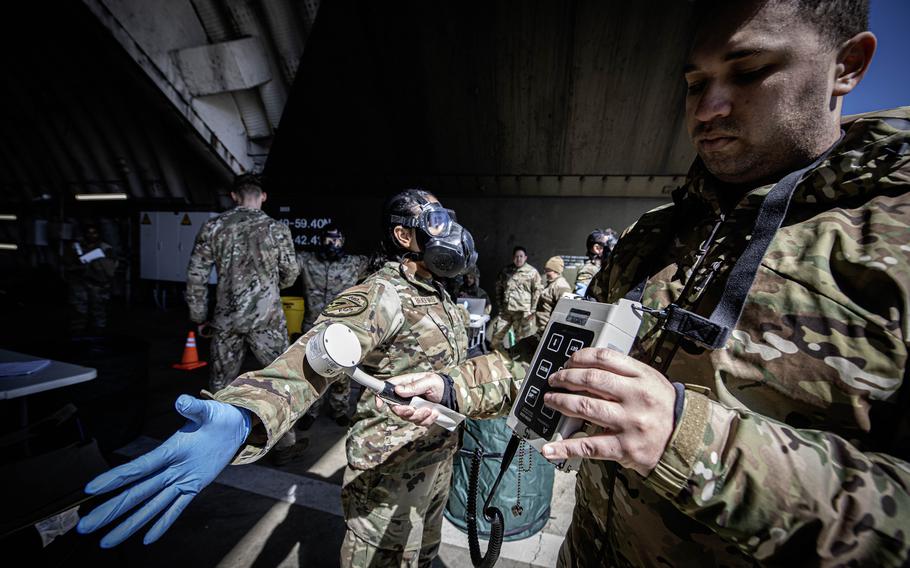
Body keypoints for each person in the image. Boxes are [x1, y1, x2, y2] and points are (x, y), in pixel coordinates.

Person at [387, 1, 910, 565]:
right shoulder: (653, 235)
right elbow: (561, 363)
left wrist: (688, 439)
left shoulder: (892, 243)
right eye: (694, 83)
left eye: (750, 70)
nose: (708, 107)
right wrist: (456, 385)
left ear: (849, 65)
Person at [77, 188, 482, 567]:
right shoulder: (383, 294)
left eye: (448, 220)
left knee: (422, 555)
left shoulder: (436, 291)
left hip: (435, 458)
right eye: (437, 221)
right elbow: (312, 358)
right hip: (390, 470)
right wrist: (247, 413)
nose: (451, 231)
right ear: (403, 235)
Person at [185, 173, 306, 466]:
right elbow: (290, 274)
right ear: (263, 196)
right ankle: (283, 444)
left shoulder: (214, 227)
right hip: (267, 318)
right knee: (278, 380)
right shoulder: (277, 229)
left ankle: (214, 444)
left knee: (220, 381)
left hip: (226, 319)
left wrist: (199, 315)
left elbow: (196, 276)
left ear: (234, 196)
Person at [296, 224, 369, 428]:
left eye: (337, 240)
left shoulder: (354, 263)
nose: (332, 244)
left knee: (343, 374)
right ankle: (311, 411)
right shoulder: (308, 261)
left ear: (343, 242)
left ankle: (339, 410)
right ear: (321, 241)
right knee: (312, 371)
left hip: (342, 329)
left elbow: (379, 265)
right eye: (328, 239)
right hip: (314, 327)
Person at [64, 223, 118, 334]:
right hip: (79, 282)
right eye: (89, 233)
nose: (91, 235)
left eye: (94, 233)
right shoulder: (77, 246)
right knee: (79, 311)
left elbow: (110, 269)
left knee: (98, 311)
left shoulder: (105, 248)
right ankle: (77, 334)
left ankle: (98, 334)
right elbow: (68, 263)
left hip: (98, 284)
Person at [490, 246, 542, 347]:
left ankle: (519, 360)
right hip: (506, 312)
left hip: (523, 313)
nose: (519, 259)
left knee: (522, 340)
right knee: (496, 336)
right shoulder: (506, 271)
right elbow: (498, 288)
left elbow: (537, 291)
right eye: (516, 256)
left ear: (525, 257)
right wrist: (500, 307)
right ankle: (496, 358)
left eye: (521, 256)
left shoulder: (532, 272)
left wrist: (533, 310)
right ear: (513, 257)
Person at [574, 227, 617, 296]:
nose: (613, 250)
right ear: (597, 248)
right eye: (610, 246)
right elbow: (579, 300)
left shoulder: (603, 268)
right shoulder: (589, 270)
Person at [535, 256, 572, 332]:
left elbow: (565, 310)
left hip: (549, 329)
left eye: (548, 270)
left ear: (556, 271)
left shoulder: (561, 286)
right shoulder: (552, 283)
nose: (545, 272)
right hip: (543, 328)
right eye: (545, 270)